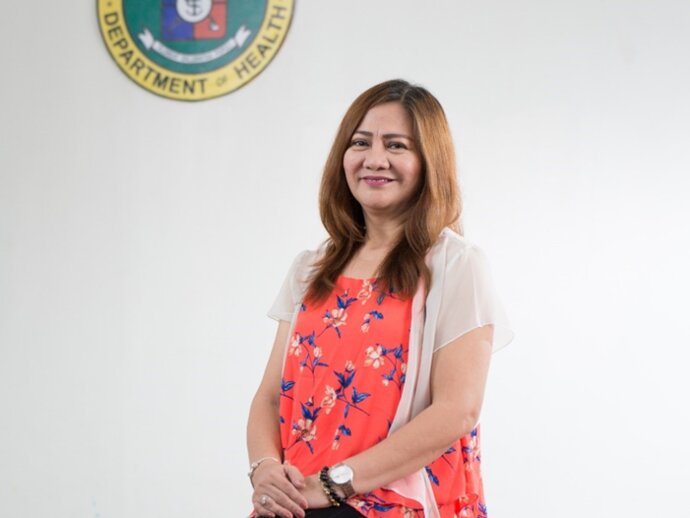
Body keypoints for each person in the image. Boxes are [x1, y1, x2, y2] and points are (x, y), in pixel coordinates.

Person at [246, 79, 513, 518]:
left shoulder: (454, 265)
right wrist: (266, 472)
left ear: (429, 162)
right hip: (299, 501)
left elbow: (457, 410)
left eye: (396, 146)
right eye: (361, 143)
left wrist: (333, 485)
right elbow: (271, 397)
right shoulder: (310, 269)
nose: (375, 159)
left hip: (396, 503)